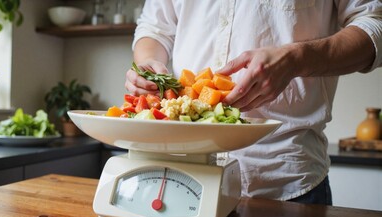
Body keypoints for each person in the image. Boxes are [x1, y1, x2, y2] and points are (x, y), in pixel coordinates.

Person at [125, 0, 382, 205]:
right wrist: (149, 67)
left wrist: (295, 58)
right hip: (182, 178)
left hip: (285, 185)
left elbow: (375, 23)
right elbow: (154, 28)